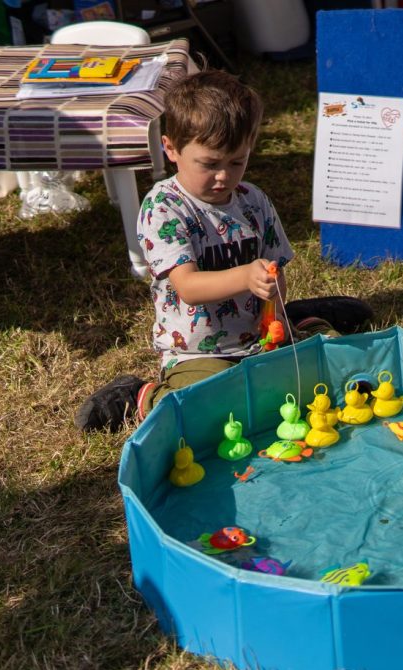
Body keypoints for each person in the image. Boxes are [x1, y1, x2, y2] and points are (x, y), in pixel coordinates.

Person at [75, 71, 371, 432]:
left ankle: (304, 322)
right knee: (209, 408)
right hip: (200, 351)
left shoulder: (253, 201)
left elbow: (276, 265)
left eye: (237, 162)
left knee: (321, 378)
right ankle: (142, 395)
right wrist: (245, 276)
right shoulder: (164, 207)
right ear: (171, 149)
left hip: (261, 336)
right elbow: (188, 286)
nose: (224, 177)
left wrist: (277, 309)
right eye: (210, 164)